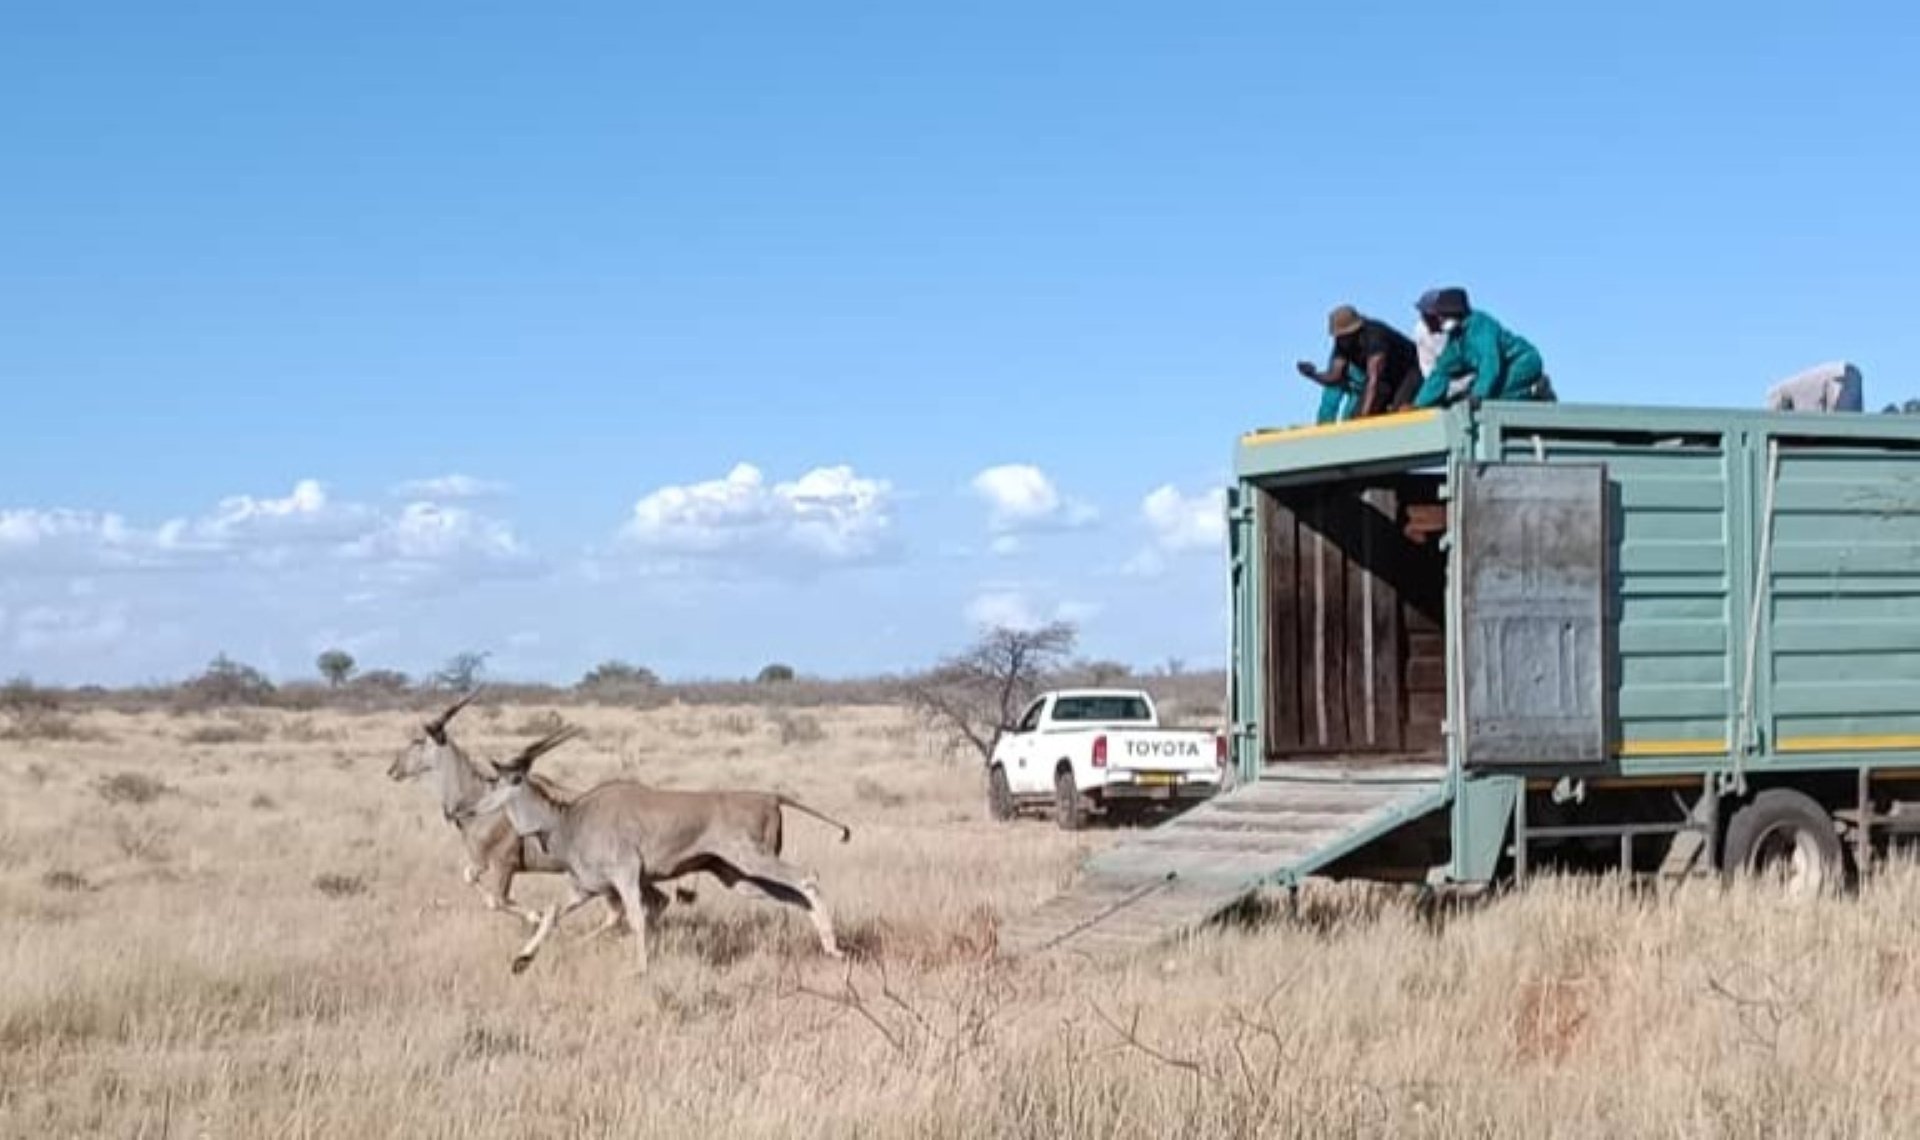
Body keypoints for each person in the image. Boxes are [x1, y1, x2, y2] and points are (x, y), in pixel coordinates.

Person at [1411, 288, 1555, 407]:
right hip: (1501, 368)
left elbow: (1489, 364)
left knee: (1493, 395)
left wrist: (1479, 394)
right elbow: (1441, 372)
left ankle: (1535, 391)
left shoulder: (1481, 328)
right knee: (1472, 393)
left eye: (1438, 316)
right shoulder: (1456, 339)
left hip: (1522, 362)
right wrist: (1418, 405)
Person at [1296, 304, 1424, 420]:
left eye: (1345, 336)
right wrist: (1312, 374)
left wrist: (1363, 417)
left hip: (1409, 372)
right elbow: (1334, 377)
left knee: (1398, 415)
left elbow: (1373, 380)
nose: (1341, 341)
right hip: (1385, 380)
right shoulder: (1341, 344)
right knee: (1354, 418)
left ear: (1355, 332)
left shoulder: (1375, 336)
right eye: (1338, 336)